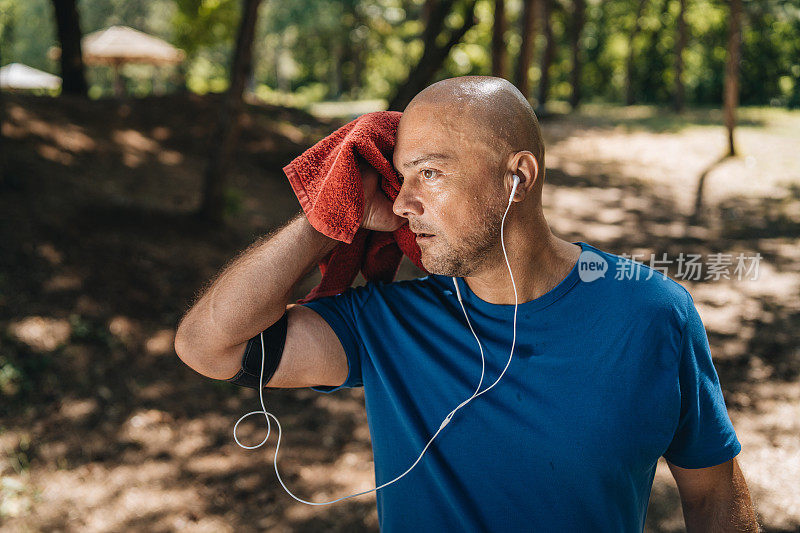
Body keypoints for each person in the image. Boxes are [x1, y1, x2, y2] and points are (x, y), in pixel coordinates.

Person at [174, 76, 760, 531]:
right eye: (400, 178)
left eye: (430, 174)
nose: (403, 203)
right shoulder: (388, 325)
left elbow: (712, 492)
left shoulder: (652, 313)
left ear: (517, 178)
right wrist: (329, 218)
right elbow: (207, 347)